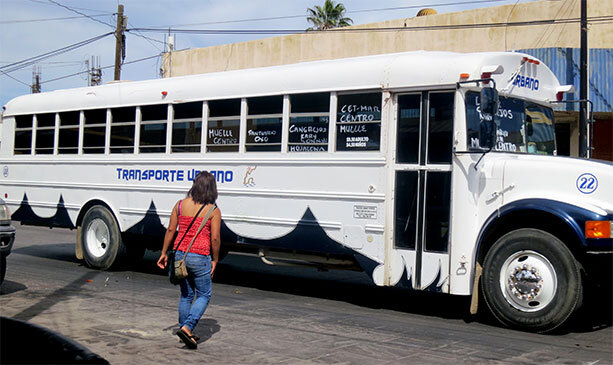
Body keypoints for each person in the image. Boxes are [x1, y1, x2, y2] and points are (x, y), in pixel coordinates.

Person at [157, 171, 221, 349]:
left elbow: (171, 230)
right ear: (212, 189)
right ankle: (187, 328)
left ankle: (184, 330)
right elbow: (215, 238)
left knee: (186, 295)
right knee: (204, 294)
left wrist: (163, 252)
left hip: (180, 255)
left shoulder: (179, 205)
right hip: (200, 257)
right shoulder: (213, 210)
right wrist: (215, 259)